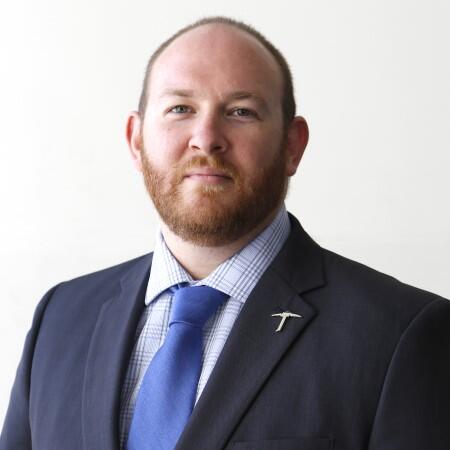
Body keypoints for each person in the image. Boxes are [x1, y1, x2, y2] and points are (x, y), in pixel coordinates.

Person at [1, 16, 449, 450]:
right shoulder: (59, 319)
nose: (206, 137)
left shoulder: (401, 335)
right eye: (180, 108)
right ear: (136, 140)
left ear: (292, 145)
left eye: (240, 111)